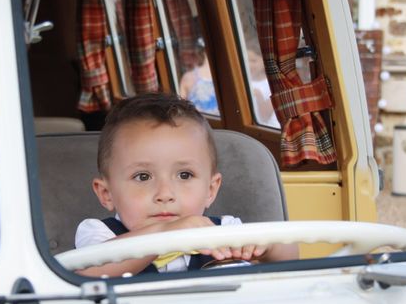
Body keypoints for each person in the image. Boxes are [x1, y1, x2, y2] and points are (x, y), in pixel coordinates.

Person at [74, 93, 298, 277]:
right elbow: (86, 270)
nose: (165, 194)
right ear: (106, 193)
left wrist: (267, 247)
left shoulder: (224, 230)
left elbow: (290, 257)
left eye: (184, 175)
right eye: (143, 177)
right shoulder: (98, 234)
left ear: (211, 190)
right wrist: (165, 232)